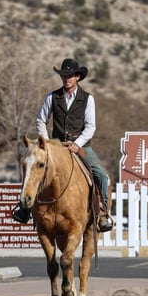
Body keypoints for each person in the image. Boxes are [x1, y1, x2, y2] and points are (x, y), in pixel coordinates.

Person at [13, 58, 114, 232]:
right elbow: (41, 119)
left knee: (101, 175)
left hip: (81, 146)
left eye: (70, 75)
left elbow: (91, 127)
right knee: (36, 169)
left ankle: (103, 212)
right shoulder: (52, 96)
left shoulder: (88, 99)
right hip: (56, 146)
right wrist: (46, 143)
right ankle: (24, 208)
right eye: (63, 75)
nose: (66, 78)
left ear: (77, 77)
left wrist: (77, 144)